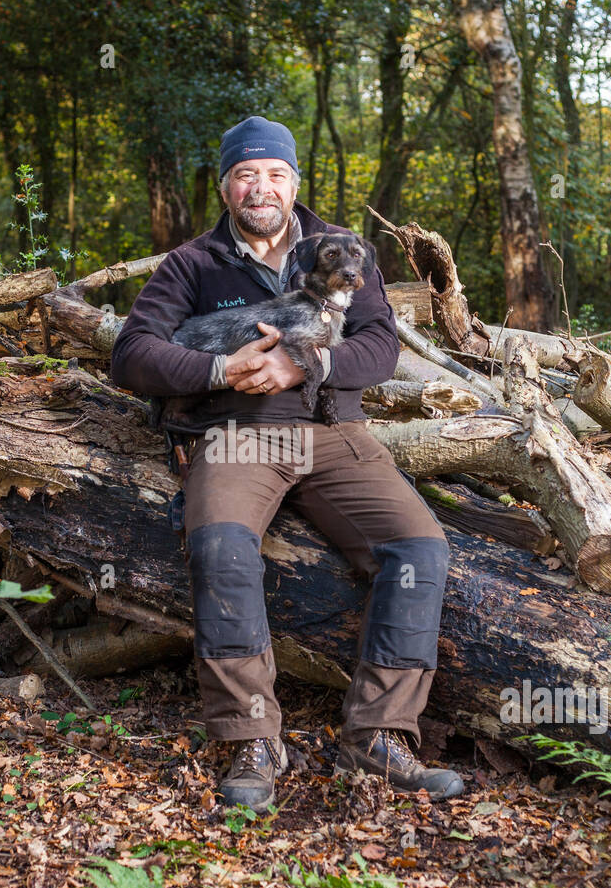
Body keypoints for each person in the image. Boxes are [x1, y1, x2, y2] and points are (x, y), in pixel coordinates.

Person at [110, 115, 464, 811]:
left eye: (274, 173)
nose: (260, 186)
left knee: (421, 547)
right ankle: (251, 737)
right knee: (220, 545)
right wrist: (218, 369)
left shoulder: (343, 250)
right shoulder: (193, 265)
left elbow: (380, 347)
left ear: (294, 182)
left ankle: (380, 733)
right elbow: (132, 355)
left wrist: (306, 361)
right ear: (225, 187)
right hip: (238, 433)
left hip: (333, 432)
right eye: (245, 174)